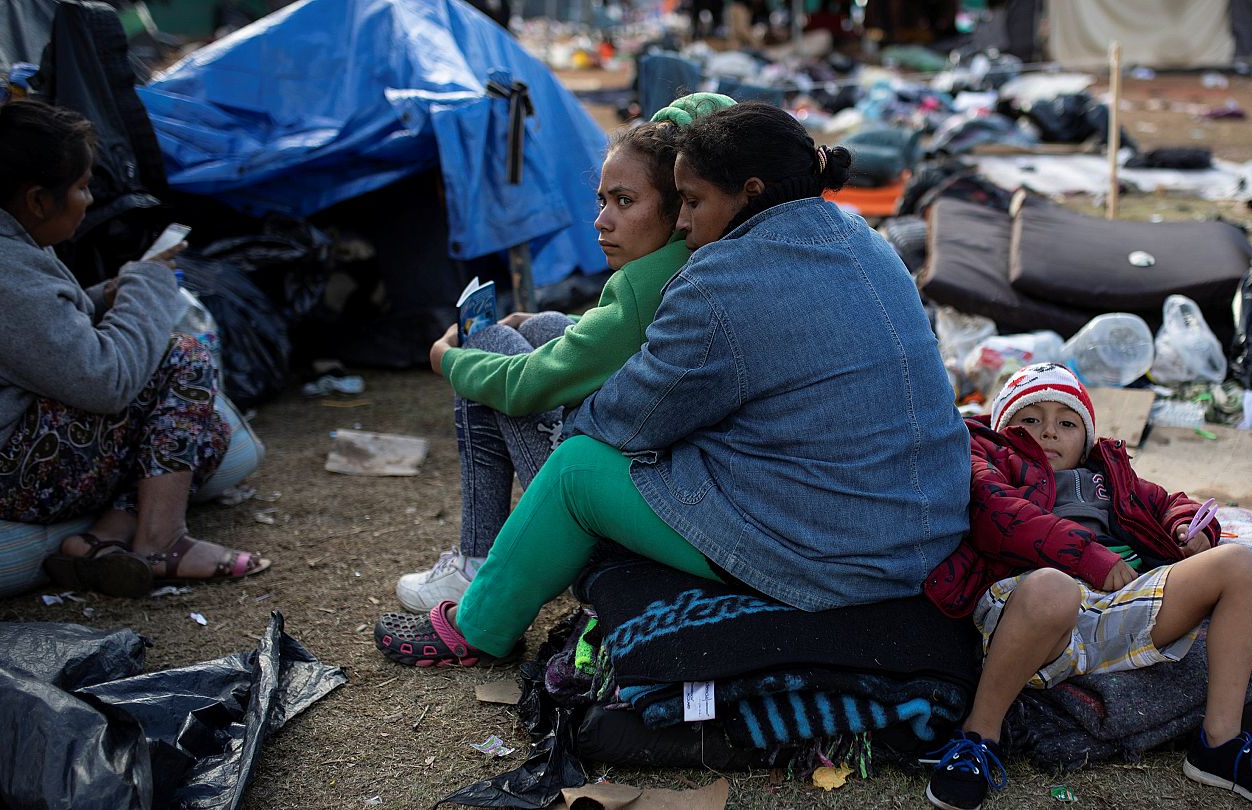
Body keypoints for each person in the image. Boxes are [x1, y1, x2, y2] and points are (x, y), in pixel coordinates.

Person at [373, 100, 970, 667]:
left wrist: (555, 407)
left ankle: (477, 629)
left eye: (691, 201)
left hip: (830, 554)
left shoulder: (718, 281)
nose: (683, 222)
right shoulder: (865, 240)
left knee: (577, 468)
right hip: (925, 529)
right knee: (561, 352)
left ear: (749, 193)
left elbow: (623, 424)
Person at [394, 93, 734, 613]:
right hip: (677, 486)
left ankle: (475, 561)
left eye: (624, 201)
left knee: (489, 346)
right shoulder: (693, 264)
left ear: (678, 206)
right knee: (550, 325)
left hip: (623, 510)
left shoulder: (648, 286)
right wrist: (548, 325)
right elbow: (599, 342)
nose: (601, 220)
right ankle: (478, 558)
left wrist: (448, 359)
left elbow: (527, 384)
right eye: (601, 200)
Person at [922, 363, 1252, 810]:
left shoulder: (1107, 475)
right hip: (1031, 612)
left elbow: (1167, 502)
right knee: (1055, 588)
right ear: (1004, 424)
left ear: (1085, 438)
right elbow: (998, 517)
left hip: (1118, 607)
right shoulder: (984, 455)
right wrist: (1090, 556)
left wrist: (1188, 529)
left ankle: (1220, 745)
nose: (1049, 432)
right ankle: (978, 737)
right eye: (1031, 419)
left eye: (1066, 423)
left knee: (1241, 565)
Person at [0, 97, 268, 597]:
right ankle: (161, 540)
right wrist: (145, 286)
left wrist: (107, 295)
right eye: (80, 187)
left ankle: (103, 539)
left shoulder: (12, 246)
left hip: (17, 450)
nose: (90, 199)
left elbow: (42, 330)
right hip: (8, 473)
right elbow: (106, 381)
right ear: (36, 200)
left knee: (192, 423)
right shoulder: (1, 267)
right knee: (182, 358)